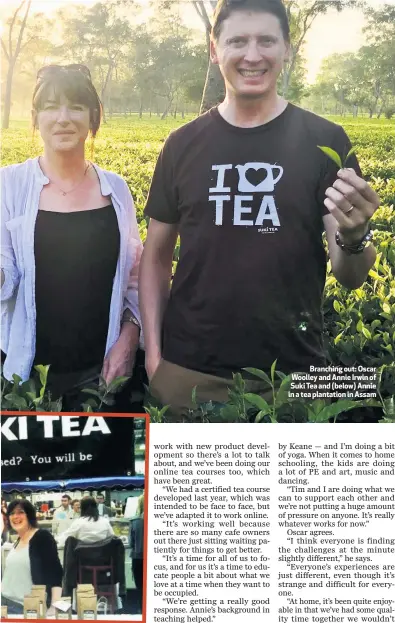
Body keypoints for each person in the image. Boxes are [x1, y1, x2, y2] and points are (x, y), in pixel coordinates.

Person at [139, 0, 380, 420]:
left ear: (287, 48)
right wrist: (155, 357)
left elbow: (351, 276)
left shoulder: (325, 141)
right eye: (238, 41)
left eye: (266, 40)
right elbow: (156, 258)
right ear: (214, 49)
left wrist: (356, 235)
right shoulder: (181, 144)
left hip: (293, 375)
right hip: (188, 371)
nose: (252, 55)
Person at [1, 64, 142, 406]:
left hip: (104, 374)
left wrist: (128, 339)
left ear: (93, 117)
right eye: (50, 107)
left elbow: (135, 279)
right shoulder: (9, 184)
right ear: (35, 119)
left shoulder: (117, 189)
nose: (63, 117)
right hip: (25, 374)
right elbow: (6, 276)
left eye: (76, 106)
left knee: (110, 460)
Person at [1, 499, 62, 615]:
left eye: (20, 512)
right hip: (4, 602)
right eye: (12, 513)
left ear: (29, 515)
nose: (15, 516)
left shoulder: (42, 537)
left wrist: (54, 606)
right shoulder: (18, 540)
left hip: (23, 607)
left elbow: (56, 573)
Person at [129, 494, 144, 613]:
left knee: (140, 586)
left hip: (138, 557)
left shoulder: (135, 522)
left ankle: (141, 608)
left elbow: (130, 543)